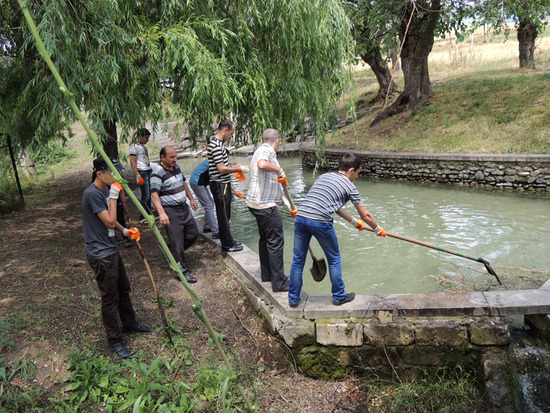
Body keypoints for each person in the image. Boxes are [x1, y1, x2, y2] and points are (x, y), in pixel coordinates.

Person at [288, 153, 387, 308]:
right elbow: (366, 215)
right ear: (351, 170)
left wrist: (354, 222)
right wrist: (377, 229)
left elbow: (334, 206)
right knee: (334, 258)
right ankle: (339, 296)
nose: (357, 177)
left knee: (298, 260)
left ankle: (293, 299)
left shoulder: (325, 177)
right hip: (320, 221)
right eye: (358, 173)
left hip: (301, 217)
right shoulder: (349, 186)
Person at [82, 157, 151, 359]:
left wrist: (126, 231)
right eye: (112, 172)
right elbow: (110, 222)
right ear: (100, 174)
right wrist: (114, 194)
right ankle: (114, 340)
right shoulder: (93, 194)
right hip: (101, 254)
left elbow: (112, 224)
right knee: (110, 297)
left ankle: (129, 324)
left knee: (123, 288)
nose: (115, 176)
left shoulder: (102, 191)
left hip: (110, 249)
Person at [246, 128, 290, 292]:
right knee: (275, 242)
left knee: (265, 240)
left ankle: (267, 275)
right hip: (265, 206)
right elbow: (262, 165)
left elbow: (269, 181)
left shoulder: (259, 149)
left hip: (257, 204)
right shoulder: (267, 150)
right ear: (277, 140)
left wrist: (286, 202)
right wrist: (278, 170)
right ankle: (279, 282)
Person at [150, 145, 199, 283]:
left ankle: (173, 252)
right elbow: (154, 195)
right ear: (162, 158)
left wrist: (191, 199)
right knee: (177, 243)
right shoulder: (157, 173)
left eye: (176, 156)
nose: (175, 159)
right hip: (171, 211)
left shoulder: (176, 167)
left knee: (193, 234)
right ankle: (181, 271)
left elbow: (183, 183)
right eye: (172, 157)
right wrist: (162, 213)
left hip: (184, 208)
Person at [207, 119, 248, 252]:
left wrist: (235, 166)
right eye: (231, 133)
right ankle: (227, 245)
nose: (231, 136)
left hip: (223, 183)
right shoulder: (216, 146)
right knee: (223, 214)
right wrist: (238, 169)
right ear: (225, 130)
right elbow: (221, 169)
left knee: (226, 213)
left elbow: (224, 165)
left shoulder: (219, 144)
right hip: (219, 184)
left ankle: (228, 238)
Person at [189, 159, 219, 237]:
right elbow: (213, 178)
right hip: (197, 182)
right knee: (208, 206)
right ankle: (215, 232)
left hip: (200, 182)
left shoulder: (215, 161)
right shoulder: (213, 162)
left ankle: (207, 227)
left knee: (211, 203)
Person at [129, 128, 152, 222]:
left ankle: (149, 214)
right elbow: (132, 161)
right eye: (146, 137)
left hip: (147, 170)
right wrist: (137, 174)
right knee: (145, 195)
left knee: (149, 194)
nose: (147, 139)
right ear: (140, 137)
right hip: (142, 172)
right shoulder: (134, 146)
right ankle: (143, 217)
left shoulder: (142, 146)